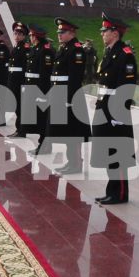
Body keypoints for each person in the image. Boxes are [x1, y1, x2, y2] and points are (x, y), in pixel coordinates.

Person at [90, 15, 139, 205]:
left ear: (115, 33)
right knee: (109, 151)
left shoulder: (125, 54)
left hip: (116, 111)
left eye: (105, 31)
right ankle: (112, 191)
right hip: (104, 106)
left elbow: (126, 87)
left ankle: (120, 193)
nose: (102, 34)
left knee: (118, 152)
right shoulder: (110, 52)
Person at [44, 17, 94, 171]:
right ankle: (72, 161)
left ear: (72, 32)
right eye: (59, 32)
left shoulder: (76, 49)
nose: (59, 34)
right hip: (60, 93)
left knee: (73, 131)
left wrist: (68, 98)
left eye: (63, 32)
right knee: (67, 130)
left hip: (70, 95)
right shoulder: (64, 47)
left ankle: (76, 163)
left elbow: (75, 76)